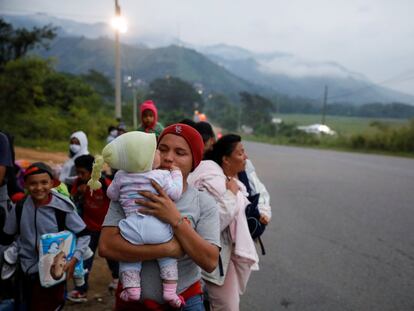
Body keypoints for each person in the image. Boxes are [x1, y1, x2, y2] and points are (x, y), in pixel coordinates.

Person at [99, 123, 221, 310]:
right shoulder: (128, 191)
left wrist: (175, 220)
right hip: (133, 303)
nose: (168, 158)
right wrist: (168, 249)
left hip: (185, 302)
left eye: (180, 153)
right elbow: (107, 247)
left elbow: (210, 261)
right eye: (162, 149)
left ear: (194, 162)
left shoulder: (203, 203)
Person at [94, 131, 184, 307]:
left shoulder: (120, 176)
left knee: (129, 258)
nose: (160, 154)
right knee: (167, 259)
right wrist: (176, 175)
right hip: (158, 228)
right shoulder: (161, 175)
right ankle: (170, 293)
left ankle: (132, 291)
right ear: (145, 159)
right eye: (156, 151)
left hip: (131, 229)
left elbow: (111, 194)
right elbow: (175, 193)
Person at [2, 162, 90, 311]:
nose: (38, 188)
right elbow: (6, 237)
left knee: (50, 305)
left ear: (52, 183)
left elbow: (84, 235)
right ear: (25, 184)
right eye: (33, 183)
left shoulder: (62, 208)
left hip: (54, 273)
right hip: (26, 273)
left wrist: (74, 259)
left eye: (44, 182)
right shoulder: (20, 207)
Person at [188, 134, 259, 311]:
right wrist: (231, 195)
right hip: (216, 258)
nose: (246, 157)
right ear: (226, 159)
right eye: (241, 153)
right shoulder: (211, 182)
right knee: (227, 306)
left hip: (225, 257)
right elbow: (212, 224)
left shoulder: (233, 180)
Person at [67, 154, 119, 302]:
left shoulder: (105, 183)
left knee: (111, 256)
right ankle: (81, 290)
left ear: (92, 171)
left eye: (82, 173)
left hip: (106, 228)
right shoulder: (78, 183)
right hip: (88, 229)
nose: (79, 176)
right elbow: (72, 202)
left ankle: (116, 278)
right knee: (84, 259)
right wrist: (78, 193)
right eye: (77, 172)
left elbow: (117, 199)